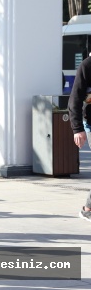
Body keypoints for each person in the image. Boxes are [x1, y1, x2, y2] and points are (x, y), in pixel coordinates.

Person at [67, 55, 91, 222]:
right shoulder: (87, 66)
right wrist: (77, 129)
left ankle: (88, 208)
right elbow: (75, 97)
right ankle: (88, 209)